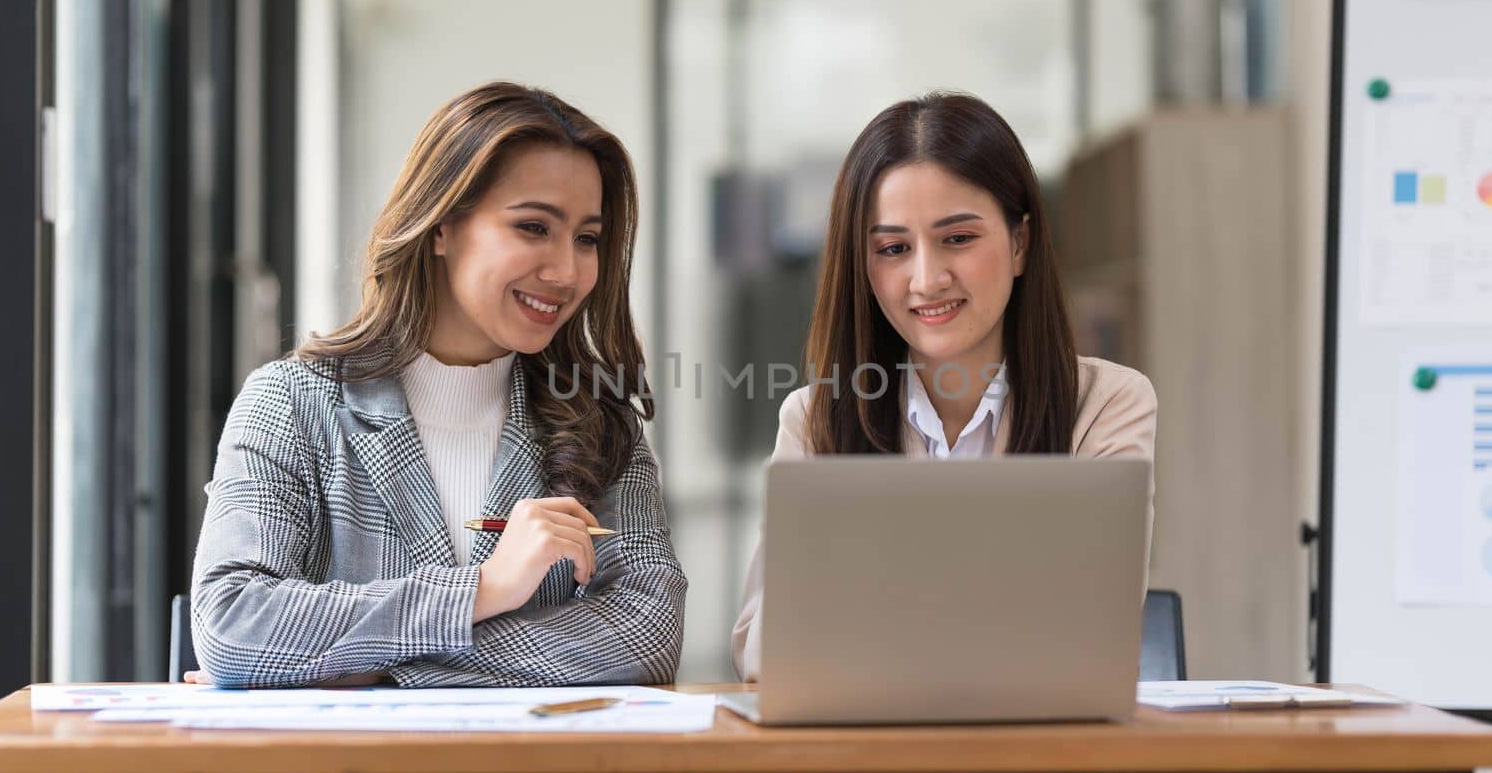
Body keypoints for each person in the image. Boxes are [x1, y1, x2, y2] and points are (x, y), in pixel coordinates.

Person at [189, 81, 686, 688]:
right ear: (442, 226)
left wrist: (368, 669)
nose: (566, 270)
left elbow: (645, 633)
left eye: (587, 238)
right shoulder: (292, 403)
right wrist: (483, 589)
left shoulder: (602, 425)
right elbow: (234, 626)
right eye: (534, 227)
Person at [731, 92, 1157, 681]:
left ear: (1019, 244)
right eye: (893, 249)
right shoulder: (815, 419)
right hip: (866, 760)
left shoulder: (1105, 404)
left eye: (957, 238)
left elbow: (1090, 630)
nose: (927, 279)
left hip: (1040, 762)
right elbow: (762, 652)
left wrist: (860, 594)